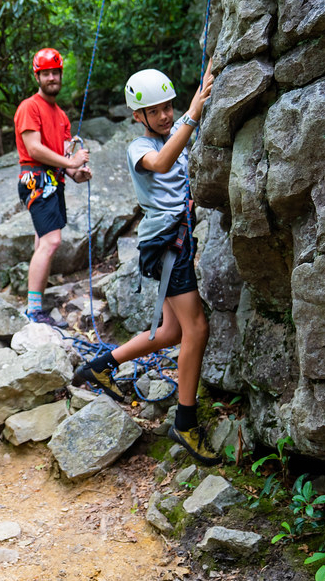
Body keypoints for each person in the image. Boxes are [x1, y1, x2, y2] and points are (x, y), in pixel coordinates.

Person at [73, 64, 219, 465]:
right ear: (138, 116)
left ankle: (102, 366)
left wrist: (207, 77)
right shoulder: (139, 147)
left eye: (168, 107)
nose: (165, 115)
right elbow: (161, 165)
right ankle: (186, 422)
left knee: (172, 331)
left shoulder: (175, 133)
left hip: (175, 238)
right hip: (165, 246)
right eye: (154, 111)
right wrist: (193, 113)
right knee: (197, 327)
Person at [14, 47, 92, 328]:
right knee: (51, 241)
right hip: (36, 179)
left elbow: (61, 156)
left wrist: (76, 172)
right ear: (38, 77)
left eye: (54, 73)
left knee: (42, 241)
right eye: (45, 73)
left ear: (60, 74)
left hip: (52, 181)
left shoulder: (61, 117)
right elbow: (34, 148)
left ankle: (37, 301)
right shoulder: (29, 107)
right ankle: (34, 310)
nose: (51, 78)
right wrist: (69, 160)